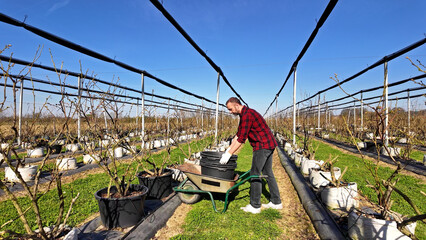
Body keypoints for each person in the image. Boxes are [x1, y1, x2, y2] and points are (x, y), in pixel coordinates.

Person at [220, 97, 282, 214]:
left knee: (255, 174)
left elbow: (242, 139)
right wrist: (228, 149)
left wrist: (229, 154)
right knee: (268, 173)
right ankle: (276, 202)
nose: (230, 112)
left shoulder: (247, 115)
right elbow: (238, 135)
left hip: (262, 146)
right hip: (268, 144)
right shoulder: (245, 115)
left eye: (230, 109)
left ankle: (255, 206)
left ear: (237, 105)